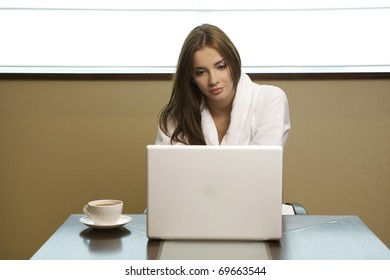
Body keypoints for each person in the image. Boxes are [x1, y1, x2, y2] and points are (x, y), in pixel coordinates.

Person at [156, 24, 290, 146]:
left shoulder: (270, 100)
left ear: (234, 63)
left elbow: (264, 165)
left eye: (221, 66)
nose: (213, 80)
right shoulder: (175, 117)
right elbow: (166, 170)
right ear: (191, 77)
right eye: (201, 72)